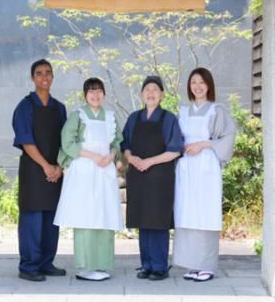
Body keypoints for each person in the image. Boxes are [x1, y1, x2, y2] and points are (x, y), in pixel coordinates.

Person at [54, 78, 124, 281]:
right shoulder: (78, 115)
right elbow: (67, 143)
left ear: (104, 94)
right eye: (91, 91)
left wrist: (112, 156)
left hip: (104, 170)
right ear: (85, 95)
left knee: (104, 215)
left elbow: (117, 141)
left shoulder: (110, 117)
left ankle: (101, 264)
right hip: (84, 169)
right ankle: (85, 267)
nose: (95, 95)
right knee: (85, 217)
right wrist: (93, 156)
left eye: (99, 91)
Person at [174, 67, 236, 282]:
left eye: (201, 82)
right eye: (193, 83)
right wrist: (179, 146)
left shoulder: (216, 110)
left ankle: (207, 265)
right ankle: (193, 264)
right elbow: (175, 137)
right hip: (186, 166)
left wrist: (203, 144)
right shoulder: (183, 111)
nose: (197, 86)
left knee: (205, 212)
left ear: (209, 85)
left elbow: (228, 136)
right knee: (187, 211)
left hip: (206, 165)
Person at [121, 76, 182, 281]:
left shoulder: (169, 119)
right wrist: (132, 158)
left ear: (162, 95)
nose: (151, 93)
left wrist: (149, 162)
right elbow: (125, 144)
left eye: (155, 89)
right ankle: (146, 265)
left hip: (160, 178)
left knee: (158, 220)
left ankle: (159, 267)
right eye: (147, 89)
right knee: (143, 220)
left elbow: (175, 150)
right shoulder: (134, 118)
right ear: (141, 94)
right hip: (138, 176)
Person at [12, 59, 67, 282]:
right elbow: (26, 140)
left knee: (51, 219)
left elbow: (66, 141)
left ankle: (46, 263)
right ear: (32, 78)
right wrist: (46, 166)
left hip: (55, 171)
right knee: (32, 220)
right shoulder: (25, 107)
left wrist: (59, 167)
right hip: (34, 171)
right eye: (39, 73)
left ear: (53, 76)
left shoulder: (59, 108)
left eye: (48, 73)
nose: (44, 77)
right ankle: (29, 266)